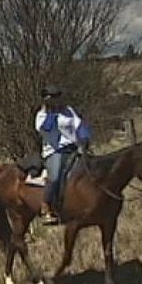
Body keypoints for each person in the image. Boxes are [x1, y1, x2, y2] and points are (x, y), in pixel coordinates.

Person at [35, 84, 91, 225]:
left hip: (74, 148)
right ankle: (46, 207)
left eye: (59, 96)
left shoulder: (68, 110)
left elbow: (79, 125)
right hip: (55, 151)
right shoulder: (42, 116)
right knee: (54, 177)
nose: (58, 100)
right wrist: (52, 112)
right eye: (54, 97)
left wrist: (84, 138)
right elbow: (46, 128)